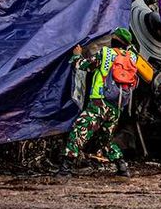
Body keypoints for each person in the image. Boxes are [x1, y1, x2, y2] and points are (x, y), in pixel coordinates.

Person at [59, 28, 138, 178]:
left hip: (99, 102)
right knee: (105, 138)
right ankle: (122, 167)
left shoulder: (106, 53)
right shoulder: (132, 57)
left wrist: (76, 56)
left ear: (114, 39)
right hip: (116, 106)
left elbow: (84, 65)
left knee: (79, 130)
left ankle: (65, 168)